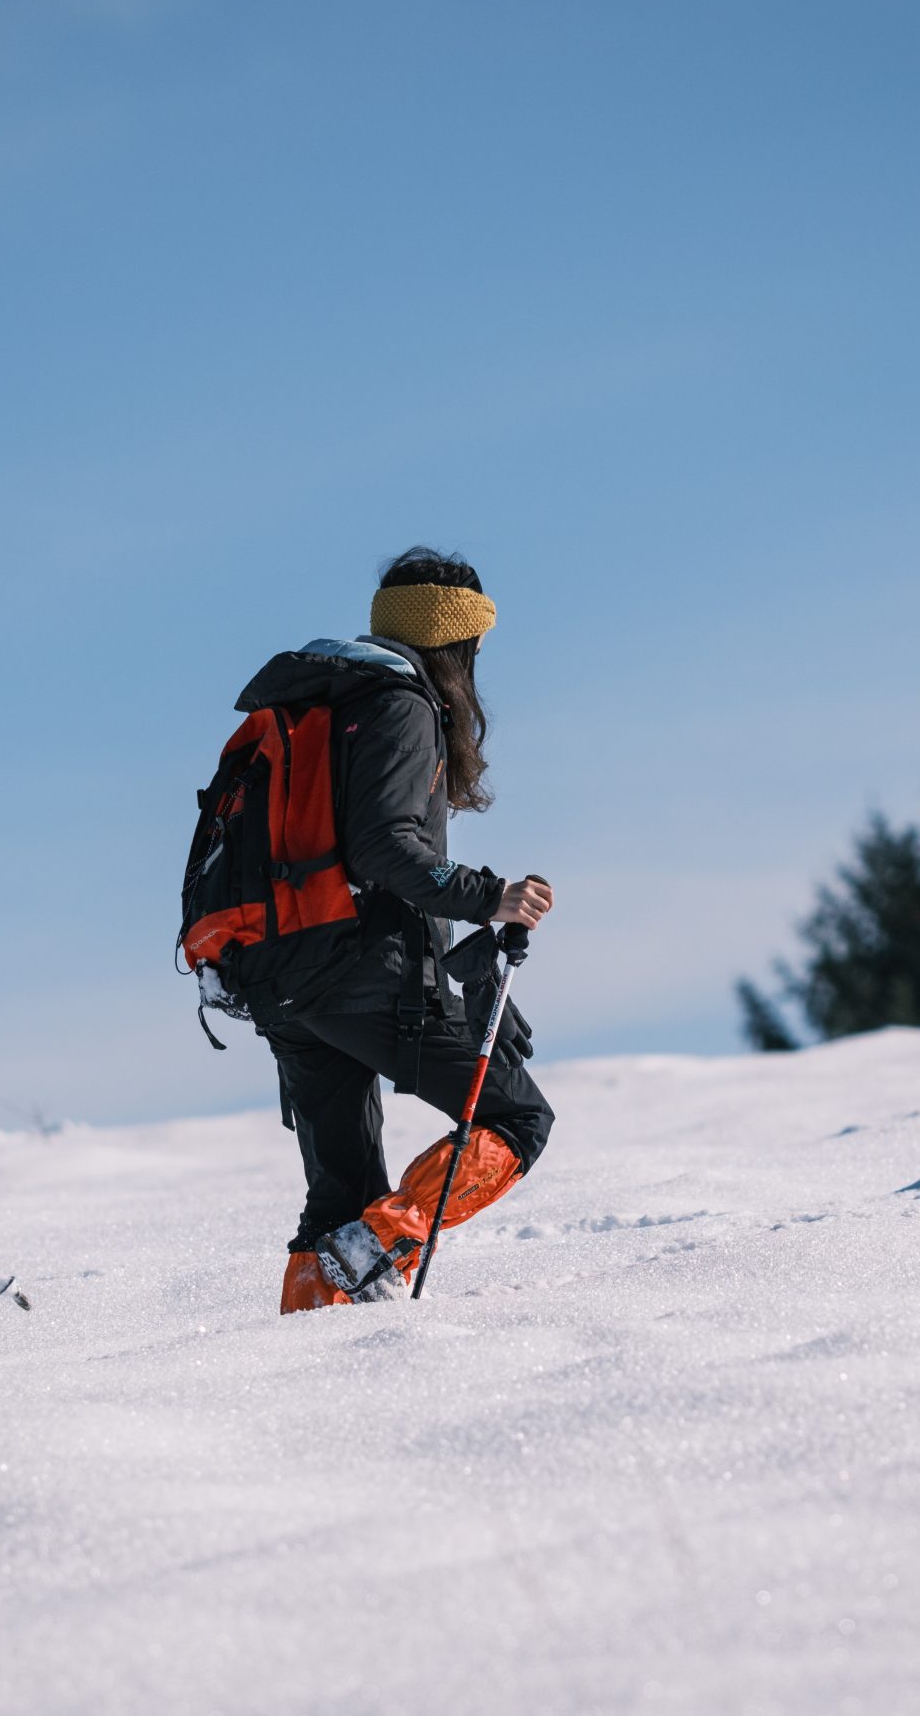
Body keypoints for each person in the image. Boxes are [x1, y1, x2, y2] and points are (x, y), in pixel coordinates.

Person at [257, 549, 555, 1310]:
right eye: (476, 641)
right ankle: (368, 1253)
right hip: (362, 975)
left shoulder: (332, 700)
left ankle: (301, 1355)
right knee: (518, 1117)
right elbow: (385, 847)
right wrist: (494, 898)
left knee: (339, 1195)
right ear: (454, 639)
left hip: (284, 976)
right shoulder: (401, 704)